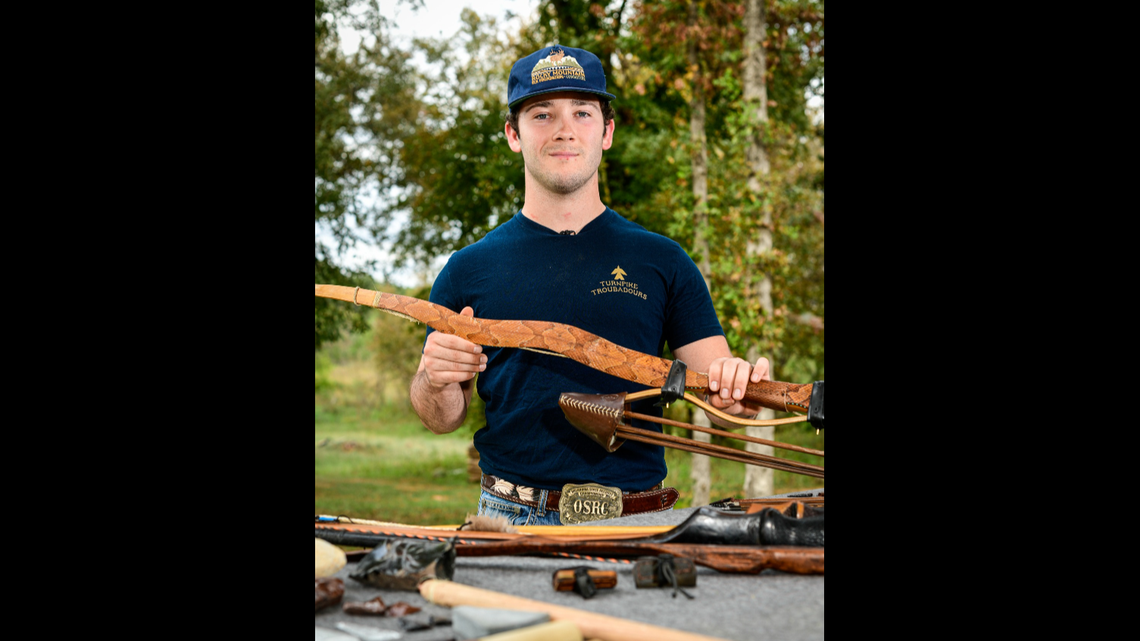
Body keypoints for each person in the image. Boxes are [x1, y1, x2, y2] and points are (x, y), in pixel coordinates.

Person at [409, 44, 770, 526]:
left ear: (607, 132)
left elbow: (723, 400)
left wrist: (736, 390)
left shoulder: (662, 259)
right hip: (509, 518)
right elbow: (441, 416)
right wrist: (433, 379)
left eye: (582, 112)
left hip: (639, 519)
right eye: (542, 114)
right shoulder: (468, 268)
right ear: (514, 134)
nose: (564, 129)